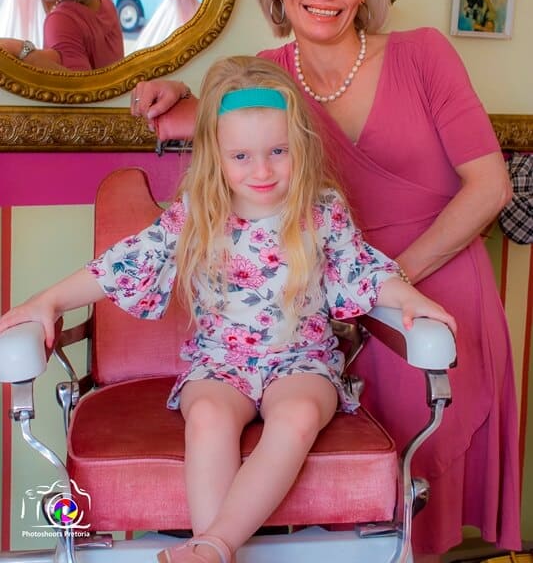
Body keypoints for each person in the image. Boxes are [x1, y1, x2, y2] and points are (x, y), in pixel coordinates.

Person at [130, 0, 521, 562]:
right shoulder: (270, 76)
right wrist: (181, 93)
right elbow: (235, 128)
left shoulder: (423, 54)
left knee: (417, 513)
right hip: (325, 315)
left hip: (428, 291)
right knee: (343, 515)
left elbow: (491, 187)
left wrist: (384, 283)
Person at [0, 55, 455, 563]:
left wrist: (409, 296)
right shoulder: (199, 213)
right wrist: (48, 300)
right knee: (209, 417)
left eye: (278, 151)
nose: (262, 170)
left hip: (302, 361)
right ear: (215, 154)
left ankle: (213, 548)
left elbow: (362, 270)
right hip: (219, 361)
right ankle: (214, 552)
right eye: (241, 156)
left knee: (298, 415)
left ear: (300, 145)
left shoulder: (321, 209)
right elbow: (123, 264)